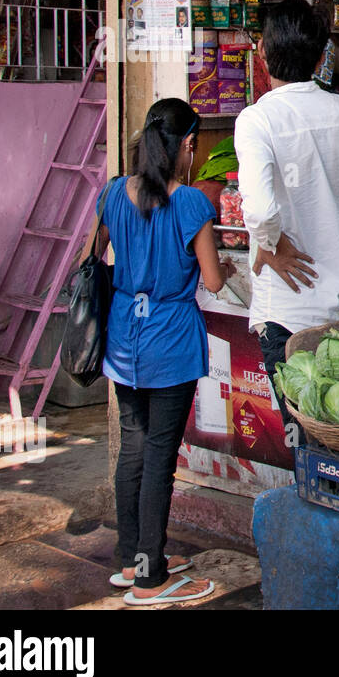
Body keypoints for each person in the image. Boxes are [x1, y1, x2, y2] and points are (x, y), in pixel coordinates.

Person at [87, 98, 234, 606]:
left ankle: (131, 559)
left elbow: (100, 253)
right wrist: (219, 270)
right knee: (158, 457)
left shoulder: (112, 194)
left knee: (134, 449)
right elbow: (212, 280)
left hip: (125, 336)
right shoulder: (191, 203)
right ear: (188, 146)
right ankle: (152, 578)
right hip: (169, 340)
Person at [234, 0, 339, 429]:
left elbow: (258, 208)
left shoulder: (257, 120)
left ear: (263, 54)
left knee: (304, 437)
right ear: (322, 55)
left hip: (286, 312)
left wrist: (271, 244)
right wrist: (270, 239)